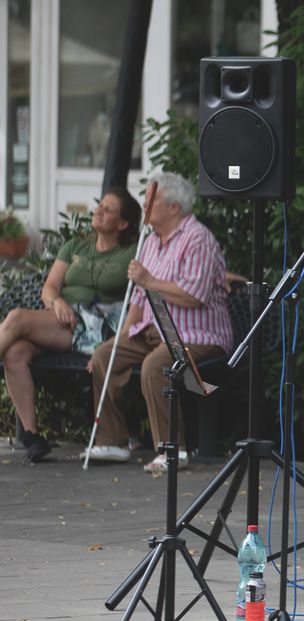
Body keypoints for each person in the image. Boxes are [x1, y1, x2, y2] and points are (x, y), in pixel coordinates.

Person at [82, 172, 233, 475]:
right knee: (103, 356)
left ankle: (171, 449)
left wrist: (150, 280)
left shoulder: (197, 238)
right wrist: (118, 342)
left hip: (197, 334)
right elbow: (138, 299)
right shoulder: (149, 241)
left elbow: (194, 295)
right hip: (152, 330)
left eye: (151, 199)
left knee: (156, 366)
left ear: (174, 207)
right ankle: (113, 440)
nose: (144, 204)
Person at [0, 189, 142, 463]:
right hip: (64, 319)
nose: (98, 210)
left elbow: (160, 272)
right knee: (14, 352)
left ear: (123, 223)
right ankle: (32, 436)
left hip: (98, 326)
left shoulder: (132, 252)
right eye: (99, 205)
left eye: (108, 209)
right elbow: (50, 288)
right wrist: (57, 303)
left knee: (17, 318)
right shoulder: (76, 246)